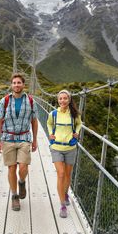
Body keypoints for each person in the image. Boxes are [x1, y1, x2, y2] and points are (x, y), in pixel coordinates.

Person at [0, 73, 38, 211]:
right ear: (11, 85)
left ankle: (22, 181)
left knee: (23, 167)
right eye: (14, 83)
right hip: (8, 139)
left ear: (23, 85)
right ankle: (14, 196)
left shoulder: (31, 101)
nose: (16, 85)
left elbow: (34, 121)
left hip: (25, 138)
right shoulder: (4, 101)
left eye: (19, 82)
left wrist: (35, 139)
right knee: (11, 168)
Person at [47, 89, 82, 218]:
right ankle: (62, 205)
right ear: (58, 100)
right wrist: (50, 133)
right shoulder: (53, 114)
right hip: (56, 147)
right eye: (60, 98)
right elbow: (49, 123)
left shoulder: (74, 114)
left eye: (65, 98)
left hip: (70, 147)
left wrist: (77, 132)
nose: (62, 100)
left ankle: (66, 193)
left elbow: (79, 124)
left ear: (69, 99)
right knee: (61, 174)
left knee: (68, 174)